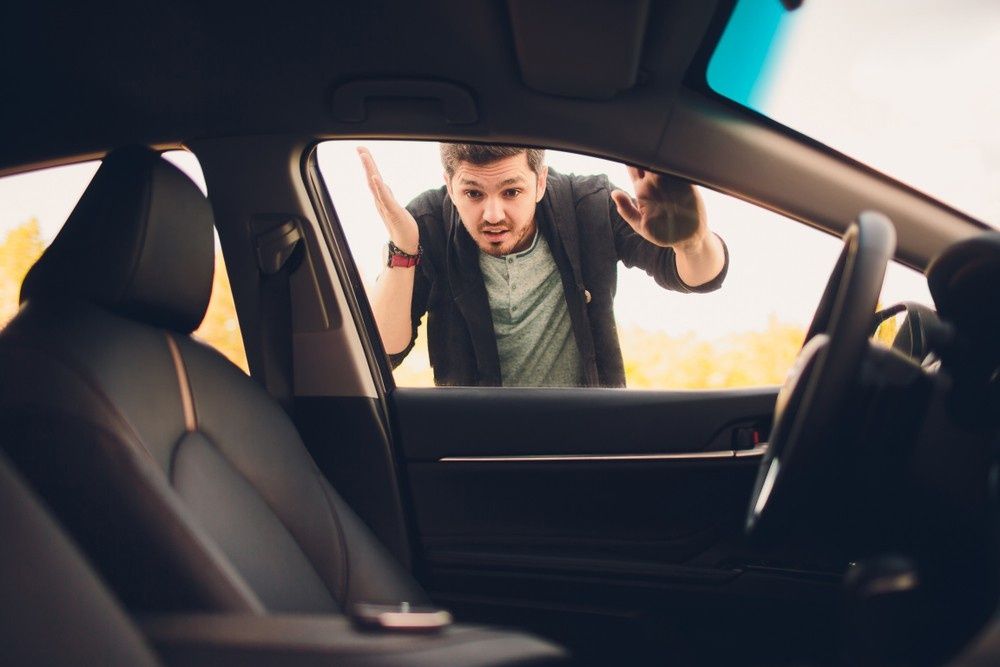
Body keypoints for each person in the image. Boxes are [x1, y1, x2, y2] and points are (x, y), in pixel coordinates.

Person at [358, 143, 728, 387]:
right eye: (473, 193)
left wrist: (692, 241)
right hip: (478, 453)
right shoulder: (426, 223)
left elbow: (697, 277)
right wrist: (404, 249)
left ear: (540, 182)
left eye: (511, 191)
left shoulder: (591, 203)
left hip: (589, 439)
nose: (492, 214)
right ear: (450, 186)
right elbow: (382, 351)